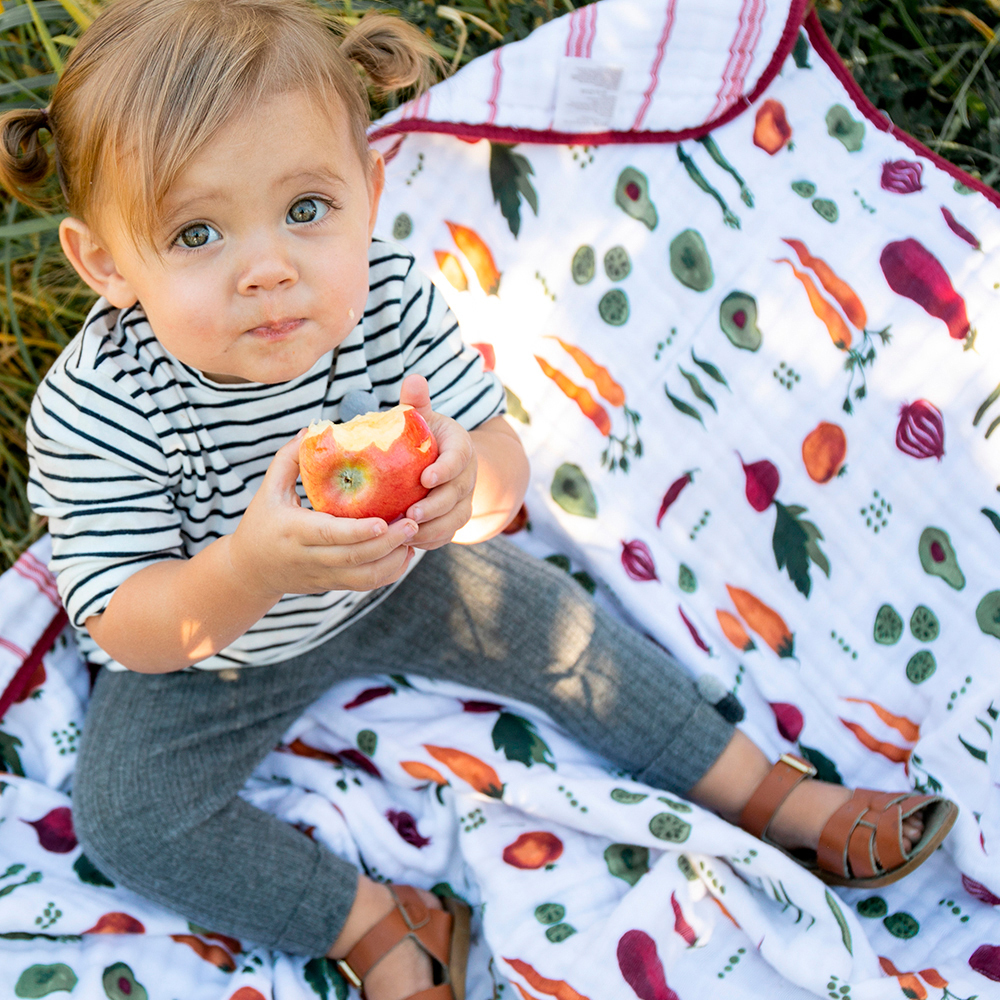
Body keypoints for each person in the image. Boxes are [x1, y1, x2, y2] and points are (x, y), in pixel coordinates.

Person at [0, 2, 957, 998]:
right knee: (126, 818)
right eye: (197, 231)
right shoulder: (100, 409)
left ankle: (771, 795)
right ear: (107, 264)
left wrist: (470, 488)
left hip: (404, 573)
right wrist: (249, 568)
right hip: (212, 657)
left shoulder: (383, 297)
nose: (269, 267)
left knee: (566, 634)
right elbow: (127, 620)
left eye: (306, 209)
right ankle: (371, 917)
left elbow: (499, 461)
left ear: (369, 192)